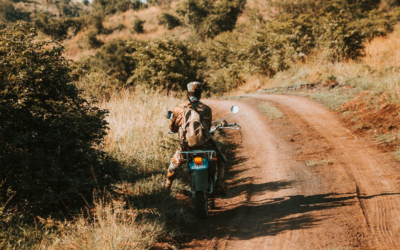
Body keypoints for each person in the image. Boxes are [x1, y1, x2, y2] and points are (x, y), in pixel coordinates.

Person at [164, 81, 228, 195]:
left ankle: (167, 187)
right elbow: (207, 128)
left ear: (187, 93)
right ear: (200, 94)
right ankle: (220, 181)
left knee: (174, 163)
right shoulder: (206, 109)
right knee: (222, 150)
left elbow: (173, 128)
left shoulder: (178, 109)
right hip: (206, 145)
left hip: (187, 147)